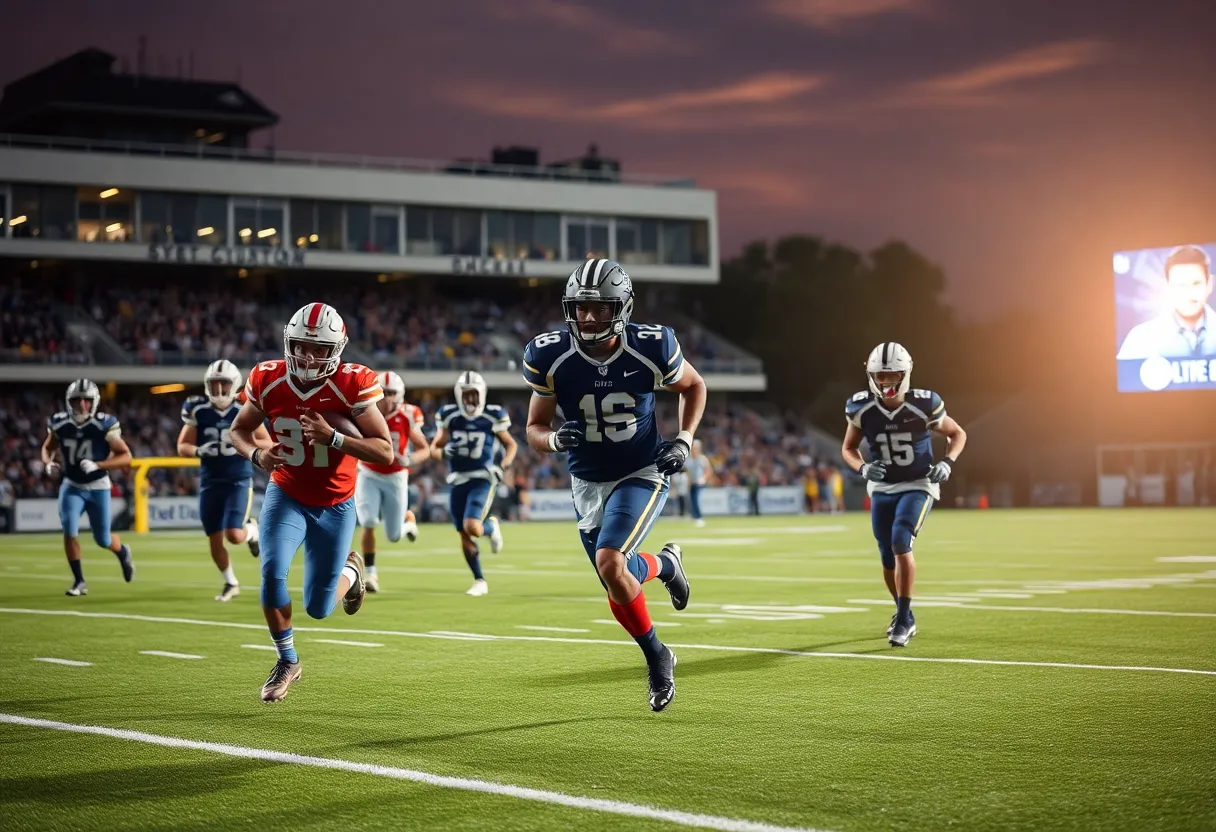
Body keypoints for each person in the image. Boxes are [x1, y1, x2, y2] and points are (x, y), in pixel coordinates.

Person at [523, 258, 706, 711]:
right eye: (581, 308)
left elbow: (694, 386)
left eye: (599, 308)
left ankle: (657, 659)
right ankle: (665, 567)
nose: (588, 317)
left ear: (621, 307)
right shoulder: (550, 355)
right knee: (617, 583)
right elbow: (533, 427)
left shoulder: (652, 345)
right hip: (586, 481)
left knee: (610, 562)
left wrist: (683, 440)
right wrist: (551, 441)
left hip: (641, 470)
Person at [230, 302, 394, 703]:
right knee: (271, 572)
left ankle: (352, 574)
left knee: (319, 608)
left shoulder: (352, 384)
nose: (307, 356)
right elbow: (239, 430)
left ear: (336, 350)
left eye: (318, 349)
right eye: (302, 346)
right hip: (286, 492)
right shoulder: (268, 378)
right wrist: (257, 455)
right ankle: (287, 660)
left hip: (336, 503)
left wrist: (335, 438)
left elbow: (385, 451)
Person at [841, 342, 967, 648]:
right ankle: (902, 613)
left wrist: (947, 463)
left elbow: (957, 433)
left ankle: (904, 617)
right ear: (871, 376)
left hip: (918, 482)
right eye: (880, 376)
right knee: (886, 553)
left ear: (906, 373)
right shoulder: (861, 407)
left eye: (893, 375)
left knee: (900, 540)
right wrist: (862, 469)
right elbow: (848, 448)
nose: (886, 382)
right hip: (883, 487)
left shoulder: (924, 404)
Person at [177, 359, 268, 602]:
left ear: (235, 384)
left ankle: (253, 532)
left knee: (234, 535)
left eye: (224, 385)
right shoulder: (198, 409)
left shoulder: (244, 407)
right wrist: (200, 450)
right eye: (214, 385)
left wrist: (240, 443)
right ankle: (231, 582)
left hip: (238, 479)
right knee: (214, 538)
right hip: (210, 481)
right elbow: (183, 446)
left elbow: (268, 442)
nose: (218, 391)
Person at [41, 379, 135, 596]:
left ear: (95, 402)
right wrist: (48, 464)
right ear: (68, 402)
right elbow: (47, 447)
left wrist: (98, 464)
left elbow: (126, 456)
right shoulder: (60, 422)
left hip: (98, 485)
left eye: (86, 400)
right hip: (72, 485)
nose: (82, 405)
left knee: (102, 539)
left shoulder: (104, 424)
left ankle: (122, 552)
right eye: (77, 400)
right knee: (69, 529)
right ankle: (79, 581)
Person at [430, 370, 517, 596]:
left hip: (483, 477)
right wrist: (444, 453)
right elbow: (434, 449)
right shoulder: (450, 416)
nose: (470, 400)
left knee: (472, 527)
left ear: (483, 394)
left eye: (474, 395)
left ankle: (491, 527)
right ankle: (479, 579)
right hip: (457, 479)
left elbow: (511, 445)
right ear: (459, 395)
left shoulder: (492, 416)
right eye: (466, 395)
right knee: (463, 533)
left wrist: (503, 466)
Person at [354, 370, 430, 593]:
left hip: (396, 476)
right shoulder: (364, 411)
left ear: (400, 394)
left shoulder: (408, 414)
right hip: (368, 472)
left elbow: (425, 449)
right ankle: (371, 574)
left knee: (394, 535)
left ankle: (408, 522)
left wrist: (410, 459)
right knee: (367, 521)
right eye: (383, 392)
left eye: (391, 393)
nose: (386, 398)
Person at [1117, 245, 1216, 359]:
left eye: (1196, 283)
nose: (1188, 292)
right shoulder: (1140, 338)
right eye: (1180, 285)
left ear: (1209, 284)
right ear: (1168, 287)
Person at [686, 439, 709, 527]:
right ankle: (694, 516)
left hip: (700, 483)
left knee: (696, 499)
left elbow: (708, 470)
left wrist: (703, 478)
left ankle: (699, 517)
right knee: (692, 500)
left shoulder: (702, 459)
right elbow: (688, 471)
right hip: (692, 482)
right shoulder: (689, 459)